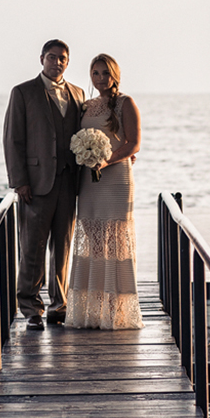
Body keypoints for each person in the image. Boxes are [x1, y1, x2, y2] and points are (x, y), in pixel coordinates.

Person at [3, 39, 85, 330]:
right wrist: (19, 181)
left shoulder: (77, 93)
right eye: (52, 57)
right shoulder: (23, 92)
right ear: (41, 59)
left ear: (67, 61)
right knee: (33, 248)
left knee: (62, 248)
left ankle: (59, 305)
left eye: (62, 58)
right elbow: (13, 140)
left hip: (68, 182)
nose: (57, 62)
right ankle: (30, 308)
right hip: (35, 185)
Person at [65, 54, 143, 330]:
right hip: (89, 182)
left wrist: (106, 160)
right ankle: (93, 310)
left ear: (114, 75)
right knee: (94, 241)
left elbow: (133, 144)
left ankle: (115, 311)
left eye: (105, 74)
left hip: (116, 180)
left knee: (116, 243)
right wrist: (86, 157)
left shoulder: (125, 103)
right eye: (95, 73)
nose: (100, 79)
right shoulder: (87, 106)